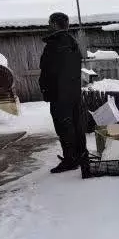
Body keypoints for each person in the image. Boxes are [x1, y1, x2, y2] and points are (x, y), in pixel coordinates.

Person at [39, 12, 87, 173]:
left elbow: (48, 72)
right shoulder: (73, 43)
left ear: (54, 24)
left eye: (49, 22)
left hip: (60, 95)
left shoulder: (54, 45)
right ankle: (80, 156)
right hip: (74, 93)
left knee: (64, 127)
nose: (48, 25)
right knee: (76, 125)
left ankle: (71, 160)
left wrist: (46, 90)